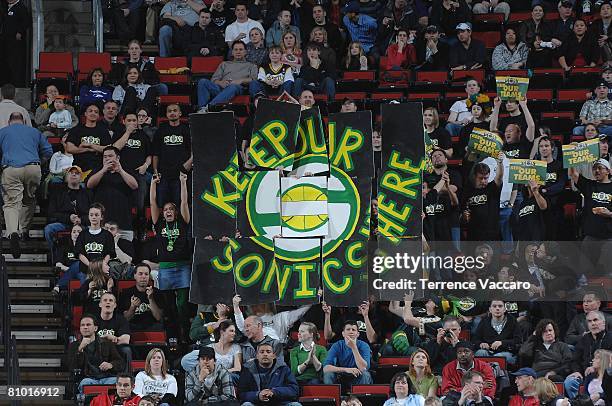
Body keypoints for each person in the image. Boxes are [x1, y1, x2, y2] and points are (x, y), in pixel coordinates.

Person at [0, 112, 53, 258]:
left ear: (9, 121)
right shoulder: (34, 131)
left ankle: (12, 233)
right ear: (23, 121)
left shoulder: (3, 132)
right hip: (33, 167)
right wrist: (39, 163)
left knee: (11, 204)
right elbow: (48, 151)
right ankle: (23, 230)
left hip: (11, 169)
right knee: (29, 200)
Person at [150, 170, 192, 338]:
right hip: (165, 269)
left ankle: (185, 330)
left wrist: (182, 182)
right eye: (165, 209)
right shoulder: (159, 223)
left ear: (175, 213)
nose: (168, 211)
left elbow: (184, 201)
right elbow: (152, 202)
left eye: (171, 209)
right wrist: (153, 183)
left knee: (182, 303)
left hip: (182, 267)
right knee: (169, 305)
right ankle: (173, 333)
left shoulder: (183, 222)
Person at [568, 160, 612, 275]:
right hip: (590, 237)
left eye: (600, 168)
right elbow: (574, 174)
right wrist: (571, 159)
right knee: (586, 272)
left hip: (608, 238)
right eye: (594, 169)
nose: (596, 171)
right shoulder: (589, 185)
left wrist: (610, 214)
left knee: (607, 273)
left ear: (608, 171)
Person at [87, 146, 138, 241]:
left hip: (123, 224)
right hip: (102, 224)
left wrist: (120, 171)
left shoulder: (126, 169)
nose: (107, 158)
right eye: (105, 157)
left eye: (110, 156)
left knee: (125, 254)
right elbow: (89, 184)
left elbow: (134, 185)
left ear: (117, 158)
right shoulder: (98, 170)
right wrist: (103, 170)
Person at [44, 165, 92, 261]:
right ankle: (56, 257)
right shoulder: (57, 193)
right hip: (64, 223)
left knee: (96, 230)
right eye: (71, 172)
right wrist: (69, 218)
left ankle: (89, 260)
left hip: (83, 224)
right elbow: (51, 214)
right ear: (66, 176)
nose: (73, 175)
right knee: (49, 229)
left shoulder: (87, 194)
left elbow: (93, 214)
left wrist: (81, 219)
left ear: (81, 178)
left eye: (77, 173)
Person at [67, 315, 125, 393]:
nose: (85, 327)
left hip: (107, 378)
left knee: (117, 382)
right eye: (82, 325)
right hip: (87, 379)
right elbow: (72, 366)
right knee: (85, 383)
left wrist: (110, 365)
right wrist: (80, 349)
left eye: (88, 325)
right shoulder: (74, 346)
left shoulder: (106, 343)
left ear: (95, 328)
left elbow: (120, 363)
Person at [563, 311, 612, 399]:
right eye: (589, 321)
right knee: (569, 382)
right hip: (584, 374)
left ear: (603, 322)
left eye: (595, 320)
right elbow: (575, 360)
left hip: (605, 375)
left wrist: (596, 368)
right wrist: (576, 371)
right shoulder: (584, 339)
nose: (593, 323)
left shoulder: (610, 337)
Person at [196, 41, 258, 110]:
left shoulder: (251, 65)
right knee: (203, 81)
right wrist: (220, 83)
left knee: (233, 86)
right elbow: (213, 80)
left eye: (241, 49)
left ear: (245, 52)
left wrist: (240, 81)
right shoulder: (224, 64)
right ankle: (201, 109)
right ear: (232, 52)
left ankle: (209, 107)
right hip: (221, 88)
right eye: (236, 50)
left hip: (237, 89)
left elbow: (254, 79)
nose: (238, 52)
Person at [152, 104, 192, 207]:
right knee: (161, 204)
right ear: (166, 114)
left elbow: (193, 151)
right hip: (163, 174)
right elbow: (155, 153)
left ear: (180, 113)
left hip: (181, 174)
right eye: (169, 111)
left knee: (180, 204)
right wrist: (155, 171)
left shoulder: (187, 130)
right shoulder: (160, 131)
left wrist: (185, 168)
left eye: (175, 110)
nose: (172, 113)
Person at [112, 113, 151, 218]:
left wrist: (146, 166)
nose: (132, 123)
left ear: (138, 122)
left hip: (139, 174)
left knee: (140, 204)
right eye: (129, 120)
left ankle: (140, 230)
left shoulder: (143, 135)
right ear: (123, 121)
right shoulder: (119, 133)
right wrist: (128, 133)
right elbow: (115, 149)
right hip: (121, 174)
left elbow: (150, 155)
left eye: (134, 120)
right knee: (122, 203)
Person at [461, 154, 504, 241]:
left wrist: (500, 162)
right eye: (480, 178)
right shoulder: (467, 191)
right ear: (474, 176)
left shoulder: (492, 188)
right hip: (473, 235)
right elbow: (463, 212)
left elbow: (499, 177)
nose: (483, 181)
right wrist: (463, 216)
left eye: (486, 178)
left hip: (492, 235)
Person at [65, 104, 112, 177]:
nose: (93, 113)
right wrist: (88, 149)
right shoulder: (76, 130)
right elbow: (69, 148)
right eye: (90, 111)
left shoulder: (103, 131)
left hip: (99, 168)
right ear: (85, 114)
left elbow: (108, 149)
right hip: (79, 168)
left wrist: (90, 145)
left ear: (98, 116)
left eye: (96, 112)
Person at [323, 320, 373, 387]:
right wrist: (346, 369)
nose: (351, 331)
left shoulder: (364, 345)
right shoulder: (337, 345)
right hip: (341, 376)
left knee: (365, 375)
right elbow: (326, 368)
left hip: (357, 376)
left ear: (358, 334)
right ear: (343, 333)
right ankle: (333, 396)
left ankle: (359, 397)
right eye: (348, 329)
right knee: (328, 374)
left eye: (353, 330)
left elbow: (364, 368)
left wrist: (354, 347)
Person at [119, 263, 165, 331]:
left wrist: (151, 299)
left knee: (159, 326)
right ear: (135, 276)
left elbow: (158, 317)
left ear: (149, 276)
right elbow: (126, 319)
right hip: (133, 325)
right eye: (140, 274)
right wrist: (133, 307)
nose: (143, 277)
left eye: (146, 274)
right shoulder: (126, 293)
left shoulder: (157, 292)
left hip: (152, 326)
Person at [75, 203, 116, 278]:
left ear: (101, 217)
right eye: (91, 215)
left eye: (96, 215)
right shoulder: (82, 234)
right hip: (85, 271)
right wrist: (91, 266)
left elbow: (109, 253)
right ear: (88, 217)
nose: (94, 217)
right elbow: (79, 254)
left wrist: (101, 265)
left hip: (102, 269)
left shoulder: (108, 235)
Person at [96, 292, 132, 373]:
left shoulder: (121, 319)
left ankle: (126, 378)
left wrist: (113, 338)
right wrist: (107, 339)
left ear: (115, 305)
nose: (108, 302)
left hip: (115, 349)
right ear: (100, 304)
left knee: (126, 350)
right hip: (97, 348)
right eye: (105, 300)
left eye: (111, 300)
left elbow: (126, 340)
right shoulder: (93, 319)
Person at [52, 224, 84, 293]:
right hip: (67, 271)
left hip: (83, 272)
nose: (76, 234)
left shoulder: (87, 248)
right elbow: (58, 264)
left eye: (79, 232)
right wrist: (70, 270)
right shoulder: (64, 246)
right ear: (71, 234)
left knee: (80, 269)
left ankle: (58, 286)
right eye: (74, 232)